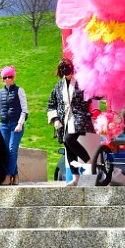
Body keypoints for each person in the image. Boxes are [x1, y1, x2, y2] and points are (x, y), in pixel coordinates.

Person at [46, 58, 96, 186]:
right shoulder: (58, 86)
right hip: (64, 120)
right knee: (68, 147)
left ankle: (89, 162)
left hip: (79, 117)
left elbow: (91, 95)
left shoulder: (80, 82)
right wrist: (55, 119)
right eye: (61, 67)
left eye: (66, 66)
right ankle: (75, 178)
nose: (64, 69)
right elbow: (51, 104)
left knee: (69, 139)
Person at [0, 66, 28, 185]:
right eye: (5, 77)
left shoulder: (20, 91)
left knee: (12, 150)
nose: (8, 79)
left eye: (10, 77)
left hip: (16, 124)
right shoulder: (0, 93)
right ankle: (15, 176)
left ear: (14, 77)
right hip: (4, 125)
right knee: (7, 151)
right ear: (3, 79)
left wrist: (20, 123)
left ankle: (8, 175)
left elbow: (24, 110)